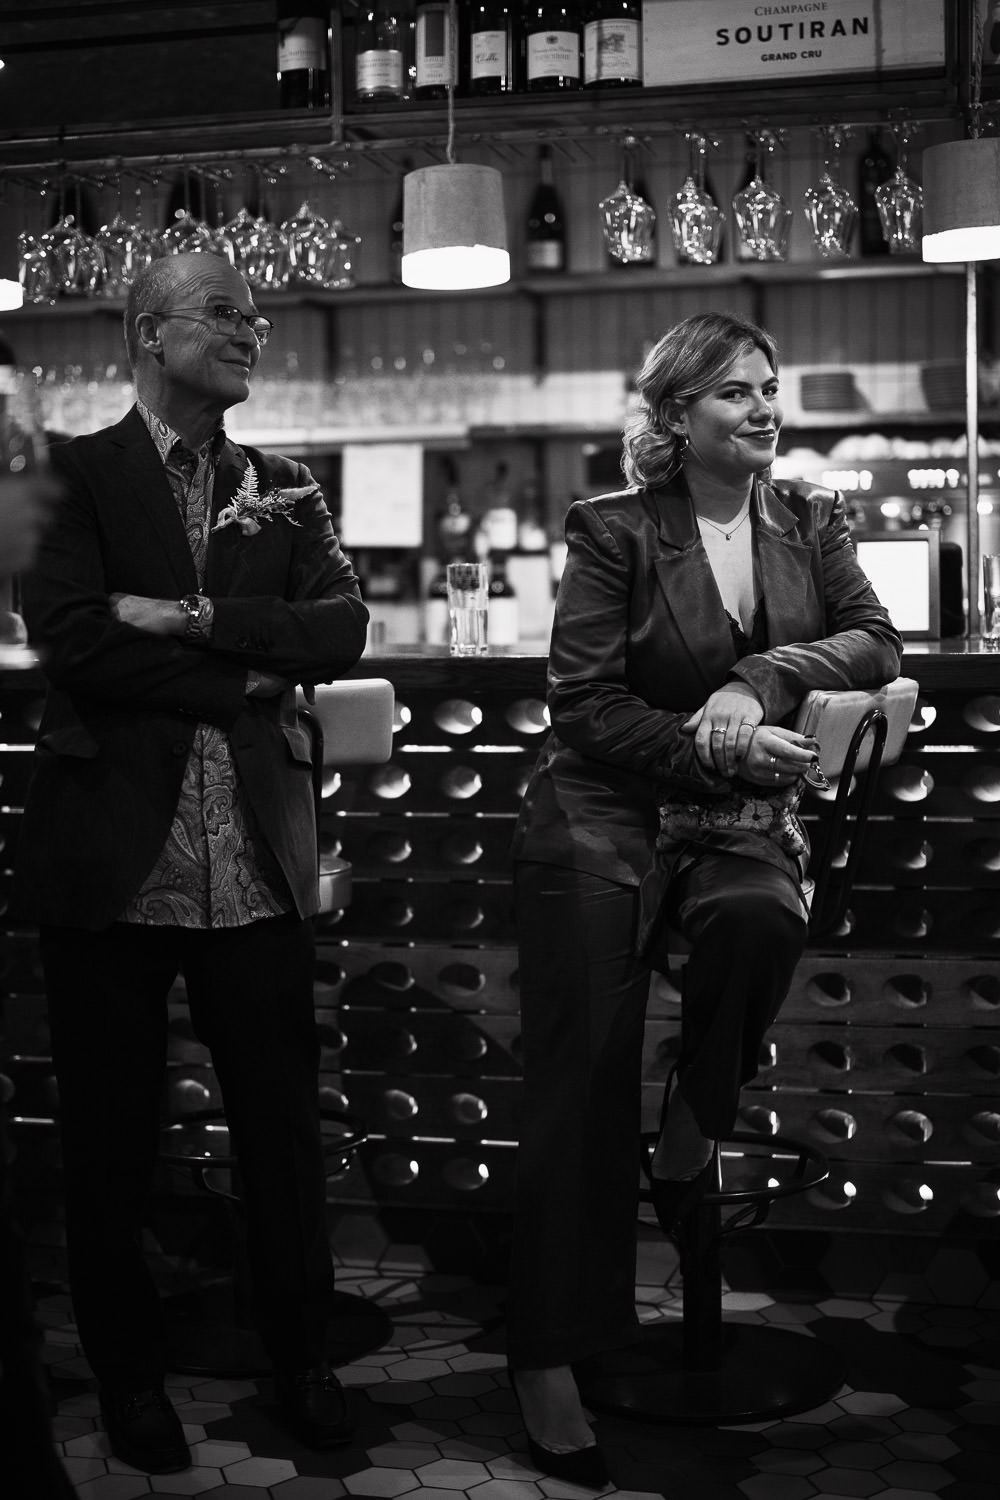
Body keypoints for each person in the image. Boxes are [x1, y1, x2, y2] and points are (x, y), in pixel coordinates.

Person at [506, 312, 902, 1487]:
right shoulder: (612, 530)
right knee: (578, 1084)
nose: (765, 408)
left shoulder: (808, 521)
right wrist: (717, 748)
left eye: (770, 389)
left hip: (732, 829)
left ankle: (693, 1124)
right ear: (675, 417)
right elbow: (581, 707)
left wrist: (762, 675)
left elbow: (875, 639)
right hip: (603, 815)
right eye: (736, 393)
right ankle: (545, 1356)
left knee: (762, 916)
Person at [12, 250, 369, 1475]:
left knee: (282, 1136)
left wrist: (200, 625)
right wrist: (249, 679)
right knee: (108, 1144)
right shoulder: (64, 477)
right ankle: (127, 1381)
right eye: (224, 311)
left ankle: (302, 1358)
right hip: (112, 865)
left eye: (252, 314)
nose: (251, 327)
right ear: (146, 333)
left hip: (257, 866)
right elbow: (74, 650)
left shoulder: (287, 487)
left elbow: (342, 628)